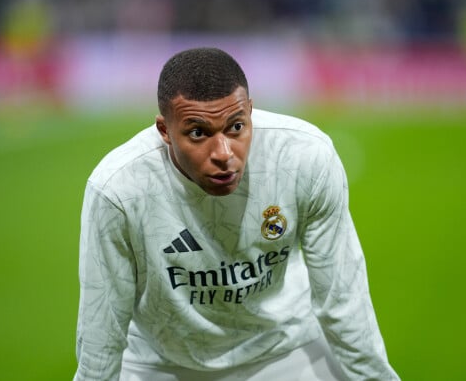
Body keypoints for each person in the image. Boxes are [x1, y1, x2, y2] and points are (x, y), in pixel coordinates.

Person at [74, 47, 400, 381]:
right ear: (164, 131)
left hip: (284, 346)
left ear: (250, 112)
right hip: (160, 362)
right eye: (198, 132)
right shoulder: (118, 189)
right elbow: (102, 324)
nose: (224, 154)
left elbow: (342, 296)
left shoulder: (303, 156)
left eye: (236, 126)